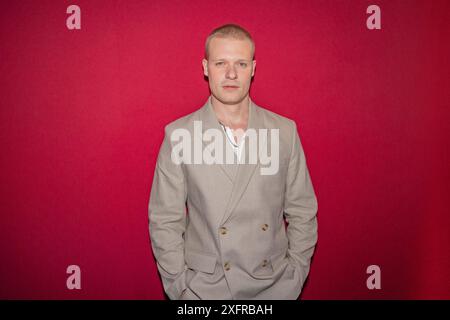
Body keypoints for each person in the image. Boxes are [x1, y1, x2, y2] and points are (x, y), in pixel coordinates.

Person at [148, 24, 318, 300]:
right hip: (204, 290)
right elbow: (164, 220)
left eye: (240, 63)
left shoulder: (284, 132)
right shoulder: (179, 135)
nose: (230, 74)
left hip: (274, 287)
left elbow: (302, 210)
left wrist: (295, 276)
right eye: (220, 63)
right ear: (206, 68)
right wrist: (181, 289)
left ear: (253, 68)